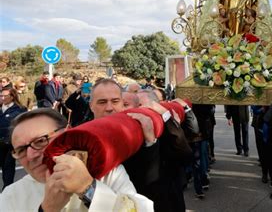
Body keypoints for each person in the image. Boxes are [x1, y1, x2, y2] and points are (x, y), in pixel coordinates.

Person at [0, 108, 153, 211]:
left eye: (41, 141)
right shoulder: (11, 196)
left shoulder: (107, 172)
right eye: (21, 150)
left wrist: (88, 188)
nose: (31, 155)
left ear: (67, 133)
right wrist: (47, 209)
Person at [90, 79, 192, 212]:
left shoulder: (143, 131)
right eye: (102, 102)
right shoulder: (81, 137)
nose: (109, 108)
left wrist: (150, 142)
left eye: (115, 101)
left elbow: (182, 158)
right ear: (91, 105)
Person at [0, 88, 27, 188]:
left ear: (12, 97)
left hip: (11, 143)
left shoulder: (19, 109)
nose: (2, 98)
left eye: (5, 96)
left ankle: (7, 188)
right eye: (1, 96)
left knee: (8, 166)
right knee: (3, 165)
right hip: (0, 143)